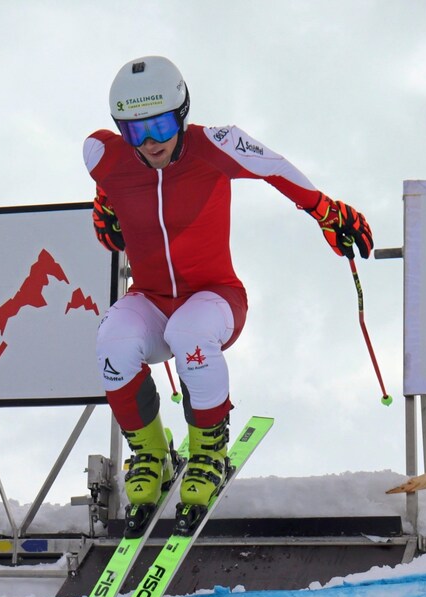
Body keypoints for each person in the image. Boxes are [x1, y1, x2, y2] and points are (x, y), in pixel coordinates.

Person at [84, 56, 373, 532]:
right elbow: (107, 181)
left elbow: (275, 168)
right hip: (152, 299)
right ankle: (152, 454)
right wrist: (106, 204)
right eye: (136, 131)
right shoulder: (101, 154)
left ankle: (208, 451)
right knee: (111, 340)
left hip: (214, 297)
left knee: (189, 333)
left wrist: (327, 212)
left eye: (159, 125)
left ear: (181, 113)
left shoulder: (213, 145)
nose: (151, 142)